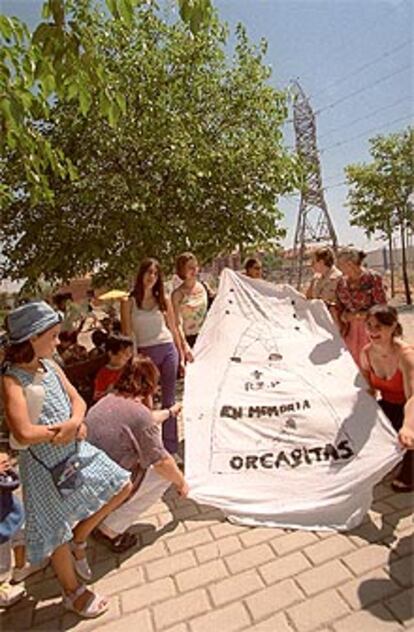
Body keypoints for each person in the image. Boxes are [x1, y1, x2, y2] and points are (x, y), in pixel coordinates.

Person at [2, 301, 132, 618]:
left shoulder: (52, 367)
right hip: (43, 466)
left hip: (74, 452)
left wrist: (74, 422)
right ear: (32, 338)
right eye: (54, 336)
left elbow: (77, 399)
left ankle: (82, 536)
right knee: (55, 531)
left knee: (122, 485)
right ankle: (72, 592)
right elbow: (23, 430)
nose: (58, 342)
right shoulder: (12, 381)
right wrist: (57, 432)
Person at [86, 356, 187, 552]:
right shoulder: (139, 413)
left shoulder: (108, 400)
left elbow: (145, 419)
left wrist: (170, 412)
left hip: (90, 481)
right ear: (150, 384)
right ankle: (110, 530)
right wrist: (181, 482)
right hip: (112, 487)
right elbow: (161, 461)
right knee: (166, 475)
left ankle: (102, 517)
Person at [121, 258, 184, 454]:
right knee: (145, 403)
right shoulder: (128, 302)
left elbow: (173, 328)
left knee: (169, 400)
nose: (152, 277)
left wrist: (181, 354)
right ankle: (150, 447)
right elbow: (127, 334)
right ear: (141, 275)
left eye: (156, 274)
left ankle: (170, 447)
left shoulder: (163, 300)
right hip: (145, 355)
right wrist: (132, 360)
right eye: (149, 272)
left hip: (167, 350)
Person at [360, 305, 414, 492]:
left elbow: (412, 397)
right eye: (369, 325)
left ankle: (409, 470)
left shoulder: (405, 355)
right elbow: (368, 392)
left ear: (392, 327)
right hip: (391, 404)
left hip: (410, 406)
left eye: (379, 326)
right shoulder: (366, 353)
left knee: (407, 431)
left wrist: (408, 427)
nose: (372, 331)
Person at [336, 247, 387, 367]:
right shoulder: (341, 283)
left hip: (372, 329)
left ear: (350, 264)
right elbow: (341, 307)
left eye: (341, 265)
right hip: (351, 331)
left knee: (373, 363)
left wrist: (359, 315)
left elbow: (382, 307)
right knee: (354, 364)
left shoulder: (373, 278)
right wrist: (344, 316)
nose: (339, 268)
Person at [171, 252, 212, 357]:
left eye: (195, 266)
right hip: (188, 340)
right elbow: (177, 323)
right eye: (190, 267)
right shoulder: (177, 294)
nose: (194, 270)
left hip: (207, 338)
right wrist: (184, 346)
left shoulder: (204, 287)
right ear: (182, 270)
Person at [306, 247, 342, 321]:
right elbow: (308, 298)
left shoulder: (338, 278)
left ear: (321, 262)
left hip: (333, 320)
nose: (311, 265)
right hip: (318, 319)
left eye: (313, 262)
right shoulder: (316, 278)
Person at [93, 334, 133, 401]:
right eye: (124, 353)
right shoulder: (103, 374)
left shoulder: (131, 369)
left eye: (130, 352)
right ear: (111, 353)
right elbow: (96, 396)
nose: (128, 356)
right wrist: (108, 393)